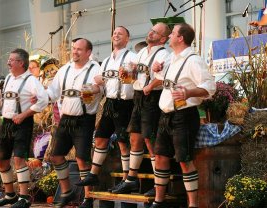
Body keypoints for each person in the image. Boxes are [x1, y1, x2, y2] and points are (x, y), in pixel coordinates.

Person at [149, 23, 216, 208]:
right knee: (161, 157)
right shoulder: (172, 57)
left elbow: (210, 87)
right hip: (166, 115)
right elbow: (165, 78)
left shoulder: (194, 60)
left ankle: (193, 204)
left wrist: (188, 93)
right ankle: (158, 201)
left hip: (184, 116)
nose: (169, 36)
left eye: (173, 34)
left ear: (180, 38)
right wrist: (157, 69)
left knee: (185, 160)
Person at [112, 22, 171, 196]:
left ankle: (159, 184)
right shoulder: (142, 52)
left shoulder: (165, 55)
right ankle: (131, 179)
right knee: (134, 138)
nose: (150, 33)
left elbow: (163, 78)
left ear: (163, 38)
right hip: (138, 97)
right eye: (151, 31)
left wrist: (151, 85)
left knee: (149, 140)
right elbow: (132, 70)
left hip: (152, 98)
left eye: (155, 32)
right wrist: (125, 71)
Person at [75, 26, 136, 192]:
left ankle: (126, 180)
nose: (116, 35)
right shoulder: (107, 60)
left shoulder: (132, 57)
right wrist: (90, 89)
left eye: (120, 34)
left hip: (125, 103)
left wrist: (122, 76)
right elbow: (100, 87)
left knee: (123, 142)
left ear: (127, 39)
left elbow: (134, 80)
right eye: (114, 33)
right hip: (109, 102)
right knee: (101, 138)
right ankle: (93, 174)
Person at [0, 48, 48, 208]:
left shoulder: (31, 81)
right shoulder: (8, 78)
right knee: (1, 160)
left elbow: (43, 100)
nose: (8, 62)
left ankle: (24, 197)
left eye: (12, 60)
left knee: (19, 159)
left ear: (21, 63)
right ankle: (10, 195)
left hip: (23, 123)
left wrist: (24, 115)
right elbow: (6, 101)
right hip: (7, 123)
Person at [46, 38, 102, 208]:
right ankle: (67, 192)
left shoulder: (96, 69)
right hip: (66, 119)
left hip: (84, 119)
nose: (75, 52)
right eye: (74, 48)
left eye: (79, 49)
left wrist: (95, 88)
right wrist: (39, 97)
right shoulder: (65, 69)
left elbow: (103, 88)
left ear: (88, 52)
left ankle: (88, 198)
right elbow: (53, 93)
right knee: (55, 156)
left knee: (82, 158)